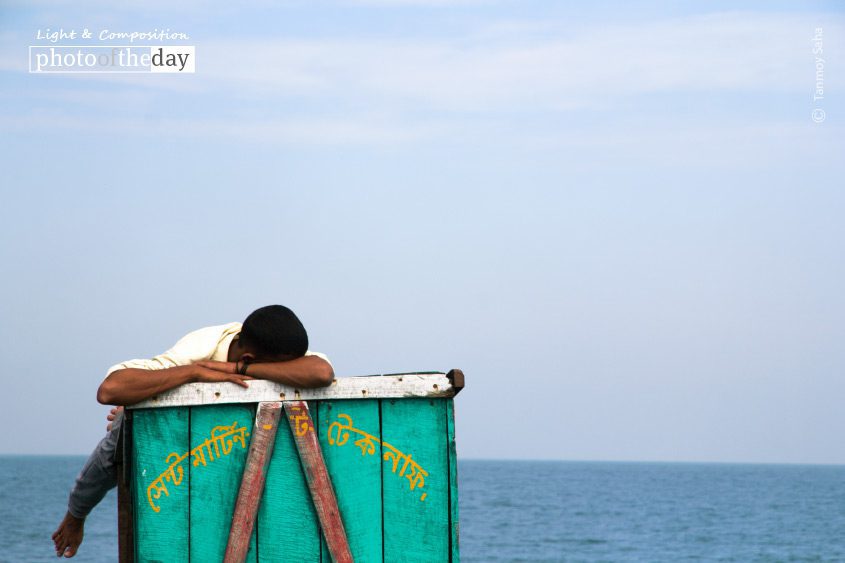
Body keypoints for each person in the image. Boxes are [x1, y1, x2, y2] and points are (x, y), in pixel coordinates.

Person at [52, 305, 334, 558]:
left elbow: (321, 373)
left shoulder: (274, 347)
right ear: (249, 352)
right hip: (181, 447)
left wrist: (237, 368)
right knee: (118, 437)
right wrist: (194, 374)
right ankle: (76, 514)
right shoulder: (202, 347)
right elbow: (111, 389)